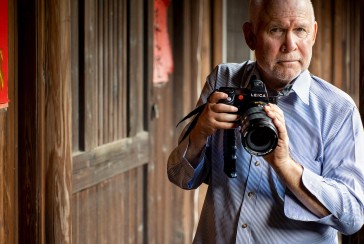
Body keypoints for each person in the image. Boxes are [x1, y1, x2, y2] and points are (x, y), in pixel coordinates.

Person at [167, 0, 364, 243]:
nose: (290, 45)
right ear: (250, 36)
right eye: (276, 30)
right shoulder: (224, 79)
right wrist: (199, 132)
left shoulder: (338, 110)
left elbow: (352, 217)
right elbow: (179, 176)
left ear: (313, 33)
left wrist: (284, 164)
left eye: (300, 30)